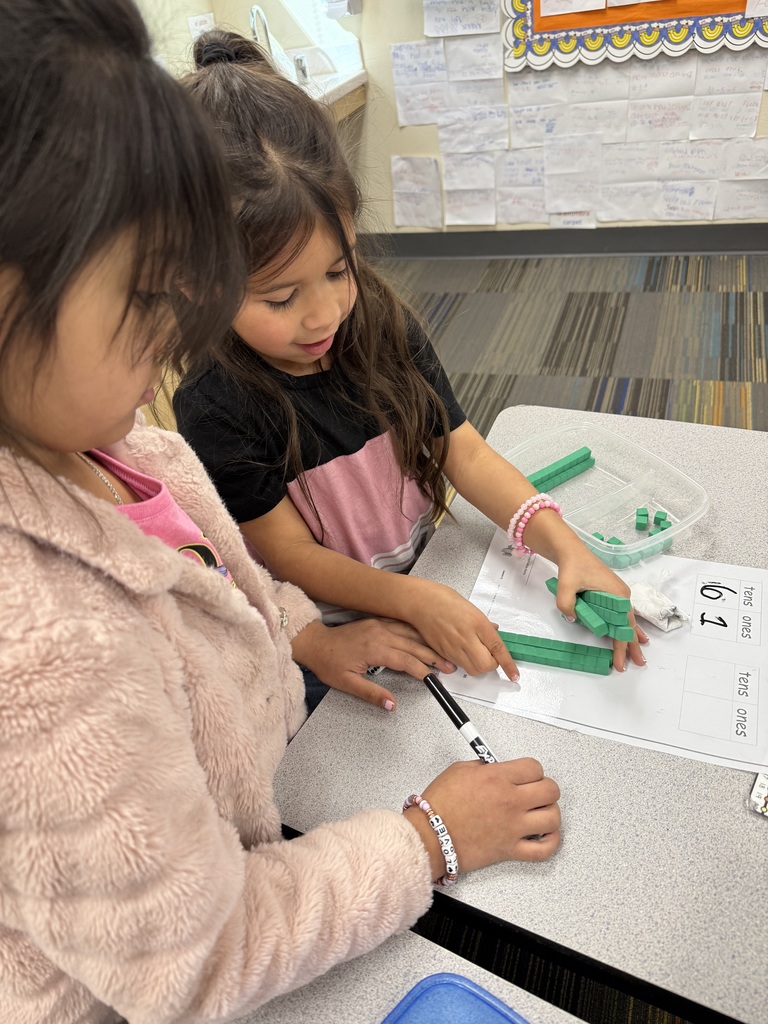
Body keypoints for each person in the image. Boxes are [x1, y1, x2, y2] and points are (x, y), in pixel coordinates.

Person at [0, 3, 561, 1022]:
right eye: (145, 285)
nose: (184, 318)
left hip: (270, 810)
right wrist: (426, 839)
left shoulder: (133, 450)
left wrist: (303, 638)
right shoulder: (43, 657)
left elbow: (228, 583)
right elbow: (201, 961)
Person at [174, 30, 649, 713]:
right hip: (333, 630)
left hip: (429, 568)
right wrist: (410, 599)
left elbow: (463, 448)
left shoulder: (377, 321)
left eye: (339, 270)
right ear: (198, 284)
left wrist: (561, 543)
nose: (323, 316)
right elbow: (286, 555)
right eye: (281, 298)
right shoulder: (215, 405)